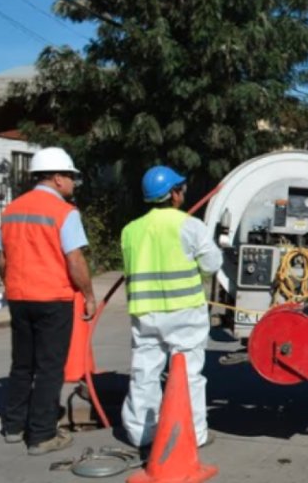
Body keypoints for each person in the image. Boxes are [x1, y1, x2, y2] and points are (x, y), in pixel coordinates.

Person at [0, 147, 97, 455]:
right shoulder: (65, 212)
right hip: (52, 298)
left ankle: (14, 426)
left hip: (19, 297)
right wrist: (89, 295)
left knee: (22, 364)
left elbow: (3, 260)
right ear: (57, 178)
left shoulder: (11, 209)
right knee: (50, 367)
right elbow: (75, 260)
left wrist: (11, 284)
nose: (73, 183)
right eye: (71, 177)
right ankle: (41, 434)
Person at [120, 165, 222, 449]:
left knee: (144, 373)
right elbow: (212, 264)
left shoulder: (130, 231)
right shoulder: (189, 225)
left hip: (145, 313)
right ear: (174, 194)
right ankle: (194, 434)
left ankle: (142, 433)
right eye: (181, 189)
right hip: (184, 312)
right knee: (189, 376)